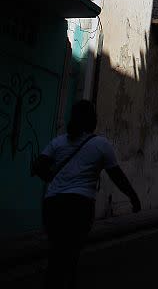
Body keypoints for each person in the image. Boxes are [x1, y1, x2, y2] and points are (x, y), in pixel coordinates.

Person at [32, 99, 141, 289]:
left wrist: (52, 178)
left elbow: (38, 166)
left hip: (53, 203)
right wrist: (133, 197)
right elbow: (117, 176)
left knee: (56, 251)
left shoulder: (58, 142)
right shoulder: (101, 144)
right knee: (72, 252)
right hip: (79, 204)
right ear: (92, 120)